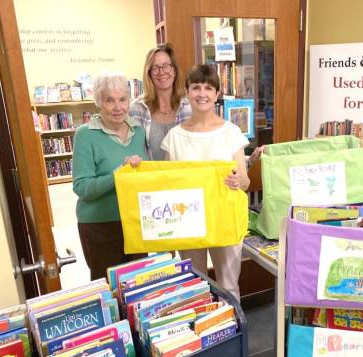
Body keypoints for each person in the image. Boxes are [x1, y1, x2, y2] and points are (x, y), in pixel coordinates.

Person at [161, 64, 250, 300]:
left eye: (209, 88)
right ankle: (204, 333)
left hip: (224, 219)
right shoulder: (175, 137)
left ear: (217, 94)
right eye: (196, 87)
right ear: (187, 92)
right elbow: (167, 185)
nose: (202, 93)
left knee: (229, 286)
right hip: (187, 220)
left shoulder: (231, 132)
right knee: (194, 283)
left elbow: (245, 182)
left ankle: (233, 332)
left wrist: (238, 180)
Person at [72, 72, 147, 280]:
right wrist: (118, 175)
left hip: (135, 222)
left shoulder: (138, 131)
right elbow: (82, 188)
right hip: (100, 225)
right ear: (98, 102)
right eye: (109, 100)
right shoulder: (85, 135)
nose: (118, 107)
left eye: (122, 99)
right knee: (109, 290)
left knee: (139, 286)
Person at [129, 44, 191, 161]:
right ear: (149, 73)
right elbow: (132, 151)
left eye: (166, 66)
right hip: (149, 177)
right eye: (155, 68)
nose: (161, 72)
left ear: (175, 70)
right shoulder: (136, 109)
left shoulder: (190, 107)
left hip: (184, 177)